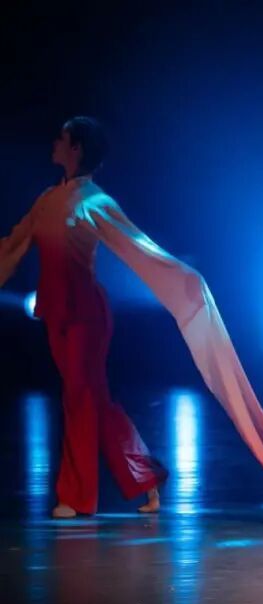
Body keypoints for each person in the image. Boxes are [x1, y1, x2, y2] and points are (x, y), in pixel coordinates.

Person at [0, 117, 167, 518]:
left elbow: (137, 245)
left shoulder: (95, 202)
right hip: (56, 313)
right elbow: (13, 245)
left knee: (78, 397)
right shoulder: (47, 200)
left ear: (75, 148)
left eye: (61, 138)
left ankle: (75, 497)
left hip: (87, 316)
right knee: (94, 400)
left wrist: (178, 278)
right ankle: (147, 478)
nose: (54, 143)